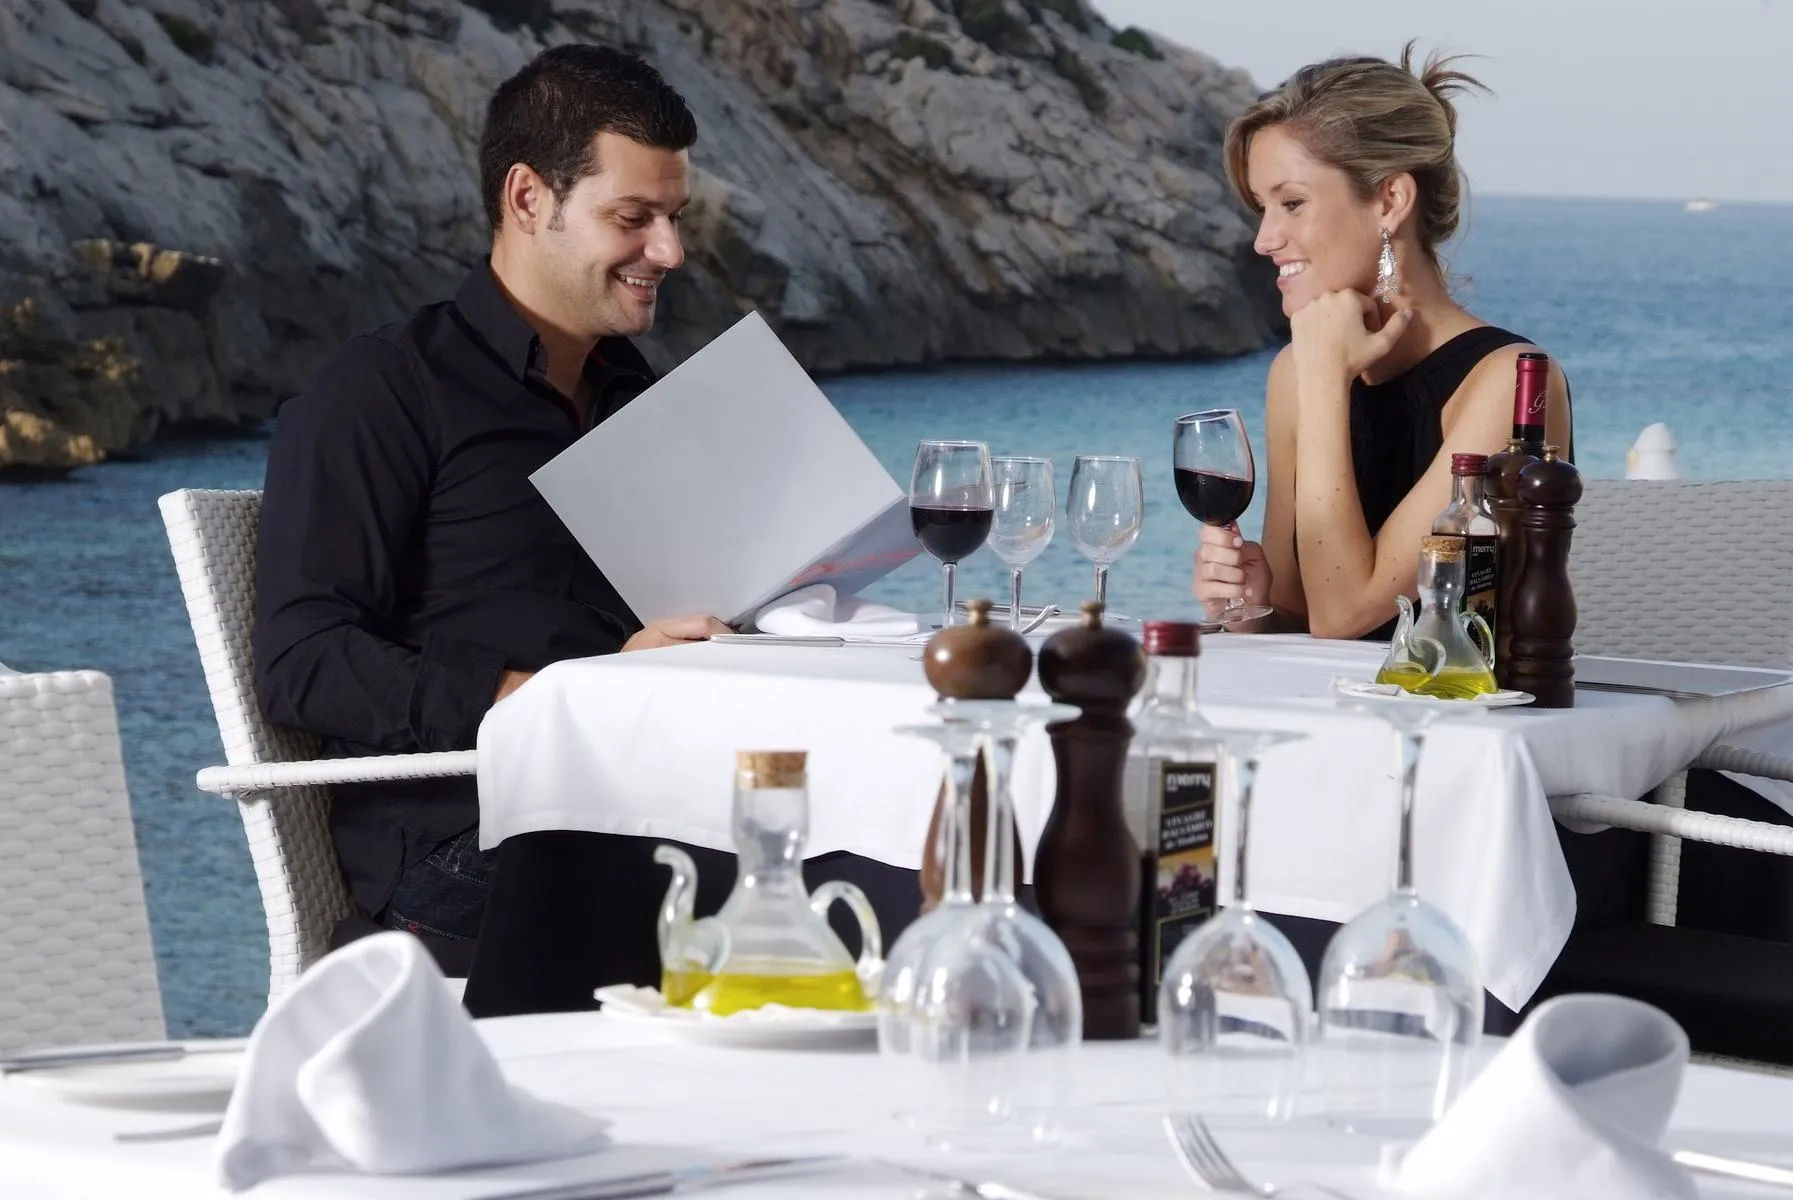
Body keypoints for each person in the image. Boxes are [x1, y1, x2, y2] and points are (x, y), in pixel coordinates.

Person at [253, 44, 728, 972]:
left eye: (673, 219)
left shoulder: (638, 395)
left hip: (641, 799)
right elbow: (302, 661)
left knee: (913, 837)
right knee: (839, 887)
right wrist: (557, 700)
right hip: (467, 845)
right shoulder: (383, 389)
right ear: (527, 198)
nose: (669, 252)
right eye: (633, 218)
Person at [1192, 45, 1573, 640]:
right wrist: (1247, 604)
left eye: (1292, 203)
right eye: (1262, 208)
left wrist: (1325, 380)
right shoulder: (1294, 372)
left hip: (1459, 698)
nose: (1264, 239)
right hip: (1333, 701)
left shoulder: (1513, 381)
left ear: (1391, 200)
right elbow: (1299, 619)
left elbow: (1345, 615)